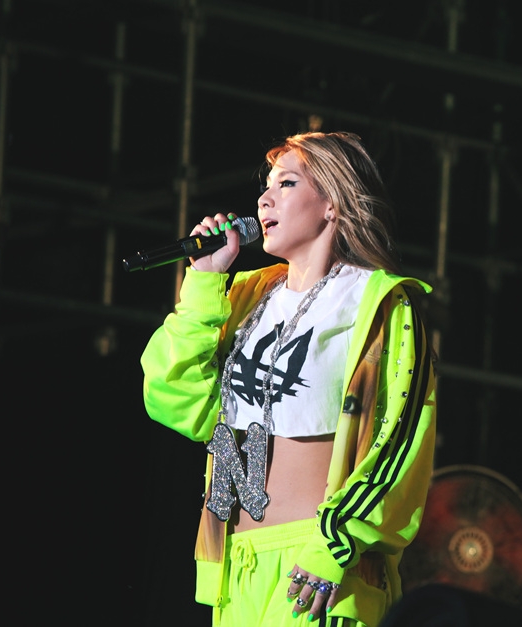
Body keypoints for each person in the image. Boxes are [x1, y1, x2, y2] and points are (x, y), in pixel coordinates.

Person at [142, 131, 437, 626]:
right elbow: (173, 398)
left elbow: (400, 442)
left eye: (287, 183)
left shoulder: (379, 303)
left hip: (319, 569)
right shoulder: (248, 296)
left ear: (332, 204)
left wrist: (333, 546)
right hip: (237, 569)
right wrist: (205, 279)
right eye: (266, 185)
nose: (264, 198)